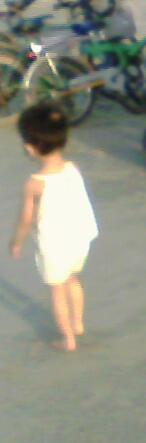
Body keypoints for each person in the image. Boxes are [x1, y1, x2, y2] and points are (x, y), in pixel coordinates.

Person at [9, 103, 99, 352]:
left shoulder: (35, 183)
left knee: (57, 291)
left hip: (55, 246)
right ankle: (78, 324)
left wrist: (16, 242)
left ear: (31, 148)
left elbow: (26, 219)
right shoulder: (72, 169)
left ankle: (67, 339)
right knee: (74, 280)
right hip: (79, 239)